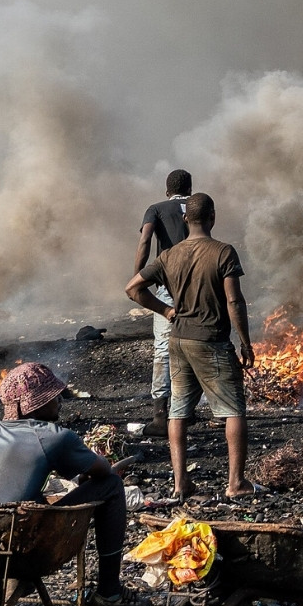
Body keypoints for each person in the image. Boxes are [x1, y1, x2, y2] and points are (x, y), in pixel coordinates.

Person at [0, 363, 146, 606]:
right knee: (112, 485)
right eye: (53, 396)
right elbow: (103, 471)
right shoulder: (54, 436)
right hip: (23, 539)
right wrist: (88, 473)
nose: (59, 400)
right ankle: (109, 593)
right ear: (35, 405)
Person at [124, 193, 255, 499]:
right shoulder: (223, 252)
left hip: (179, 340)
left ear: (185, 220)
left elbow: (132, 288)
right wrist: (245, 343)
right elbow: (234, 301)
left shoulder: (170, 255)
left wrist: (166, 311)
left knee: (178, 411)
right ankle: (236, 483)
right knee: (233, 410)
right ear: (213, 217)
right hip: (212, 341)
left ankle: (180, 483)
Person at [133, 169, 192, 429]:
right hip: (201, 283)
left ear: (167, 191)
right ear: (189, 189)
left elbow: (145, 240)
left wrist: (138, 275)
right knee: (199, 343)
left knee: (163, 349)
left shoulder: (156, 209)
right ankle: (194, 408)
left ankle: (160, 415)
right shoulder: (198, 206)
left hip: (169, 283)